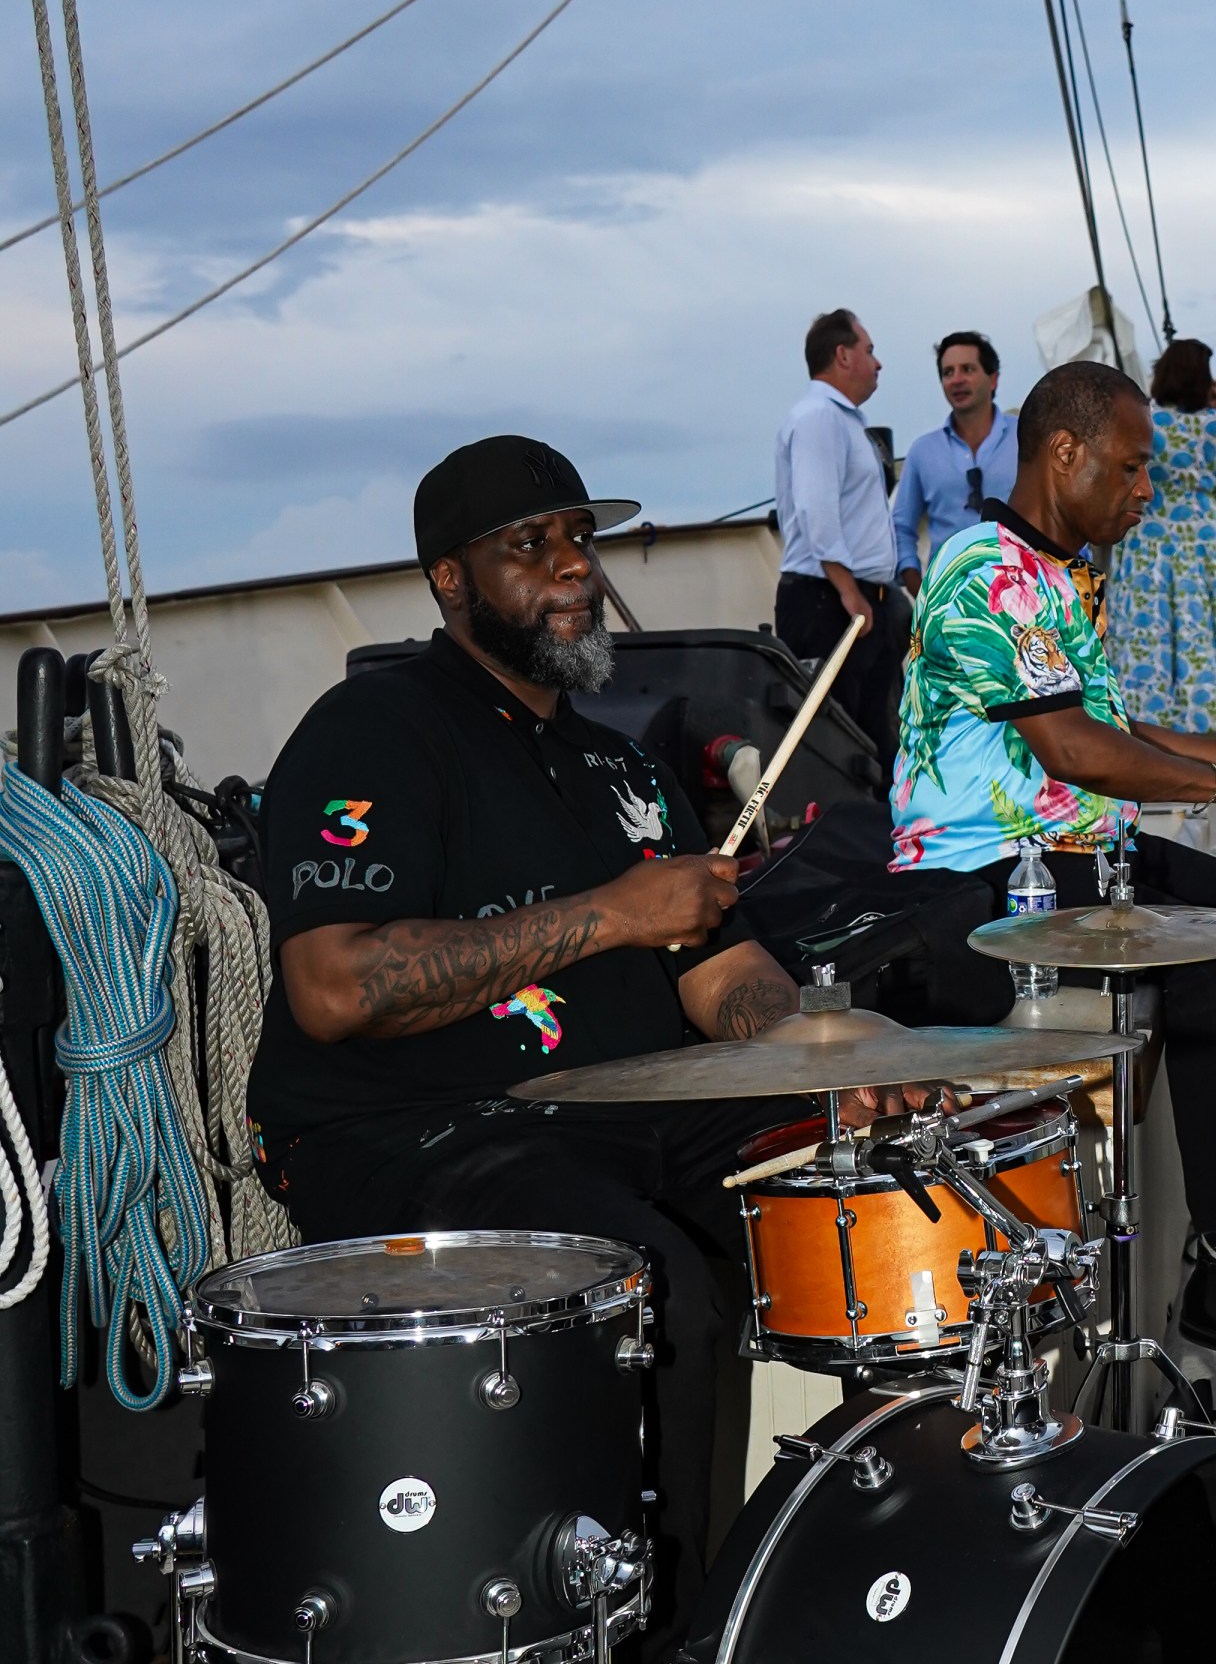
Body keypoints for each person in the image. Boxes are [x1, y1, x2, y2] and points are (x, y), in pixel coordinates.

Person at [247, 436, 822, 1641]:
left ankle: (847, 1563)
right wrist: (616, 911)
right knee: (654, 1294)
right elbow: (335, 988)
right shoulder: (374, 728)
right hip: (423, 1129)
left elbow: (720, 974)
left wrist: (831, 1056)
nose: (573, 570)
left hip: (623, 1105)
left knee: (856, 1193)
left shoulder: (621, 764)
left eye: (580, 541)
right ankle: (657, 1625)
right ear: (450, 581)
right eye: (531, 547)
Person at [890, 359, 1216, 1381]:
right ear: (1063, 454)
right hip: (987, 881)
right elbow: (1074, 750)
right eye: (1131, 468)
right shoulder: (985, 573)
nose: (1145, 490)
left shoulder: (1057, 573)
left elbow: (1109, 727)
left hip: (1076, 849)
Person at [1107, 337, 1216, 730]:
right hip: (1202, 541)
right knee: (1202, 626)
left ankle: (1146, 716)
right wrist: (1215, 410)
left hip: (1151, 535)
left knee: (1151, 628)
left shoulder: (1146, 421)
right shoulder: (1215, 427)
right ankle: (1208, 718)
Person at [773, 308, 904, 762]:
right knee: (838, 744)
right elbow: (816, 508)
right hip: (828, 600)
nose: (878, 362)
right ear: (843, 355)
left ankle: (871, 830)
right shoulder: (817, 418)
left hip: (859, 598)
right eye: (870, 350)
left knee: (874, 736)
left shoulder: (845, 421)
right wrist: (849, 593)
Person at [890, 330, 1018, 592]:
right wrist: (922, 594)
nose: (957, 380)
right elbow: (900, 528)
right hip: (952, 604)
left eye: (967, 369)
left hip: (1025, 597)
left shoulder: (1026, 438)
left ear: (993, 379)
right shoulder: (922, 452)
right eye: (948, 373)